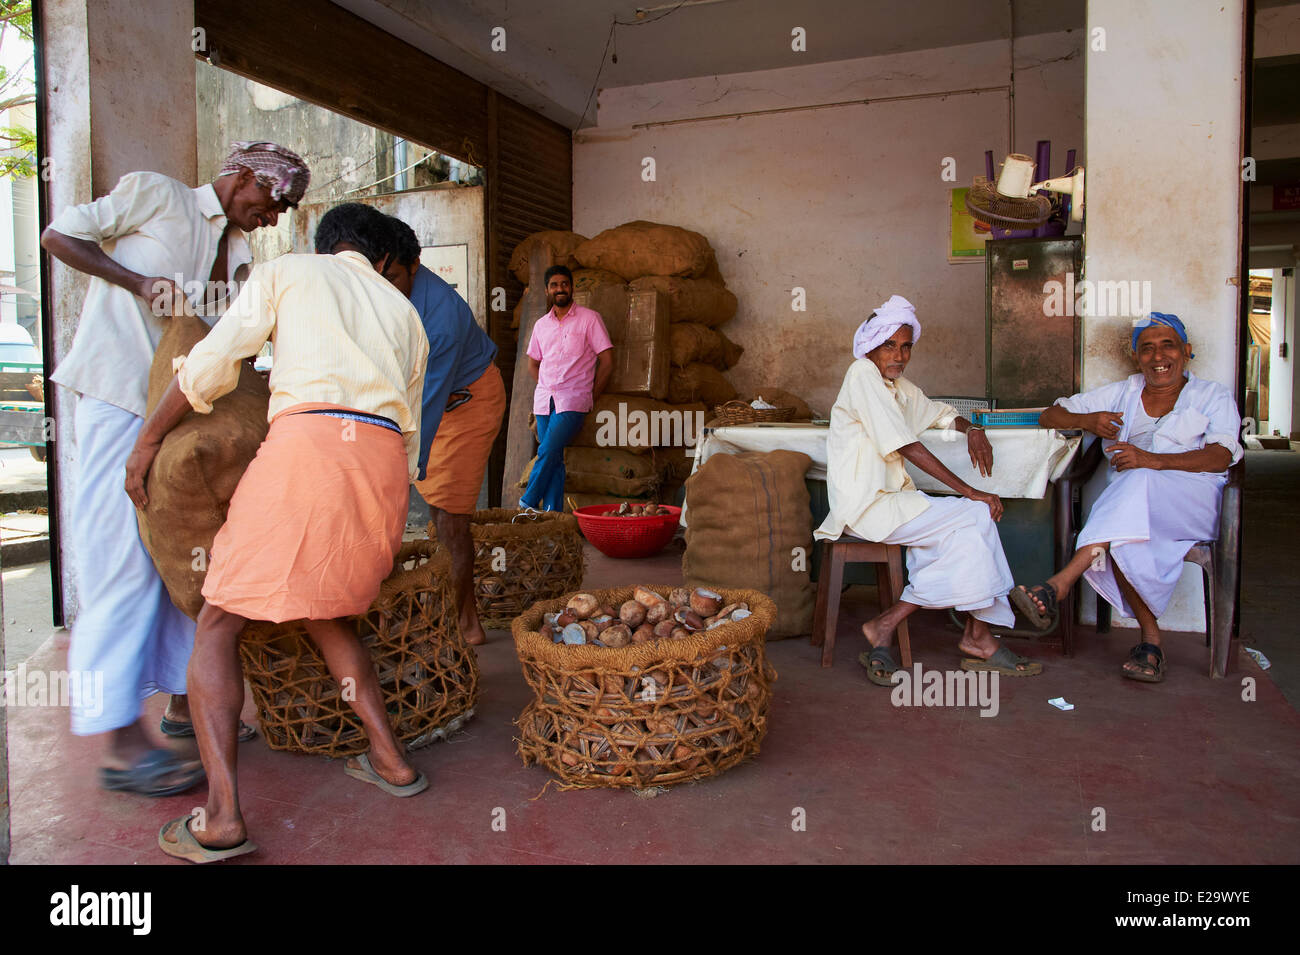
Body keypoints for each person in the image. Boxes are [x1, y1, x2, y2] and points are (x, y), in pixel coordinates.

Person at [125, 202, 430, 862]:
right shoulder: (407, 316)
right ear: (380, 259)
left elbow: (210, 364)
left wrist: (147, 442)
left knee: (217, 623)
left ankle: (223, 815)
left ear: (329, 245)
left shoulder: (290, 271)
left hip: (308, 453)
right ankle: (390, 759)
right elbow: (409, 437)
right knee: (329, 612)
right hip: (380, 473)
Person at [40, 141, 310, 796]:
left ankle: (185, 704)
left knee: (188, 558)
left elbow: (229, 343)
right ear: (244, 176)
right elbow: (59, 234)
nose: (273, 218)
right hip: (119, 397)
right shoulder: (155, 193)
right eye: (274, 203)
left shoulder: (243, 258)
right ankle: (120, 744)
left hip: (182, 417)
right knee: (123, 561)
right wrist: (136, 283)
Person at [814, 295, 1043, 684]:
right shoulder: (862, 375)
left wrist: (972, 428)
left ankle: (921, 629)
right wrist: (971, 491)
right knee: (975, 514)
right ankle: (971, 635)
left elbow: (937, 411)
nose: (899, 355)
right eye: (890, 345)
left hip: (895, 504)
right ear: (871, 345)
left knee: (967, 533)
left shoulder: (897, 387)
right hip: (866, 508)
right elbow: (905, 443)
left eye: (906, 347)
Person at [1012, 313, 1242, 682]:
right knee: (1123, 531)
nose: (1157, 356)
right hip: (1132, 509)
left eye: (1167, 345)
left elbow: (1220, 455)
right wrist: (1089, 421)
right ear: (1137, 358)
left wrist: (1152, 461)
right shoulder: (1124, 393)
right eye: (1146, 349)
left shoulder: (1211, 395)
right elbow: (1048, 415)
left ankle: (1062, 582)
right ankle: (1150, 644)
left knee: (1137, 480)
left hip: (1193, 504)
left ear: (1186, 351)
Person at [381, 215, 505, 646]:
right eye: (379, 275)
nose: (384, 284)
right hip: (437, 402)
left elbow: (426, 406)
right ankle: (452, 611)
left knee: (451, 519)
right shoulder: (390, 290)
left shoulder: (443, 319)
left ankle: (465, 625)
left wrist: (400, 466)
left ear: (415, 265)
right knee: (438, 513)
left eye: (393, 275)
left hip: (468, 402)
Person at [518, 265, 613, 512]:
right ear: (547, 290)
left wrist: (591, 396)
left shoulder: (589, 319)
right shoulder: (541, 325)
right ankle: (553, 517)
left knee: (547, 450)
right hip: (544, 401)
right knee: (555, 457)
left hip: (574, 400)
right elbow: (532, 363)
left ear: (572, 287)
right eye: (554, 285)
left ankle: (527, 501)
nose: (560, 289)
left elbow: (607, 360)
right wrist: (545, 383)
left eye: (564, 284)